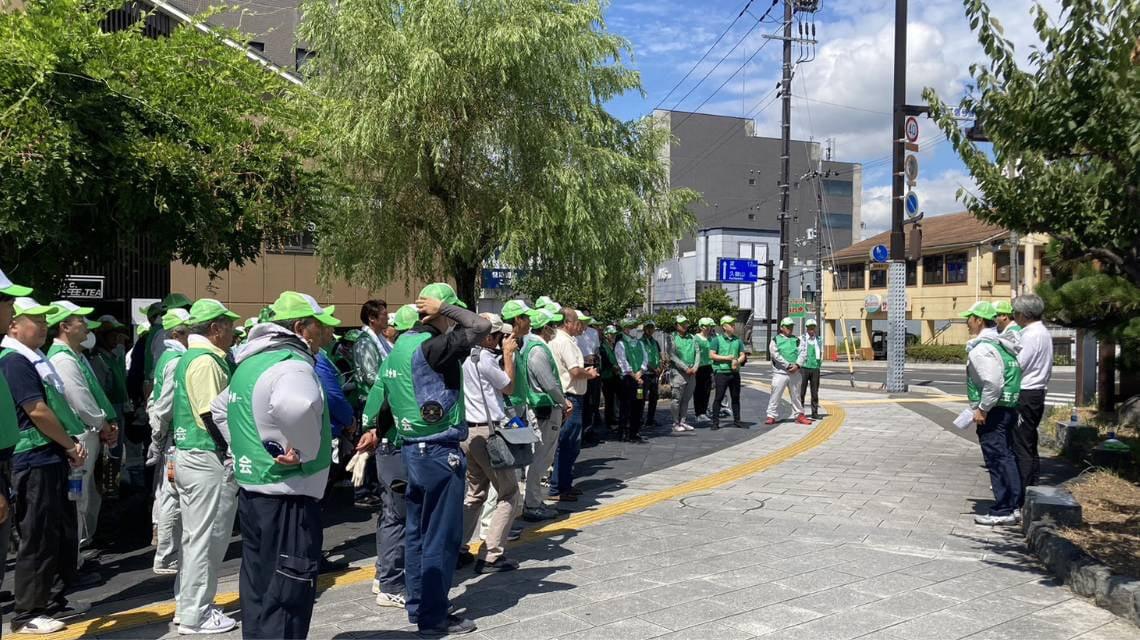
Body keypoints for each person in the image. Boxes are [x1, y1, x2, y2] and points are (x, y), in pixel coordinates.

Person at [360, 283, 489, 636]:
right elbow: (479, 326)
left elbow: (384, 398)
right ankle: (434, 615)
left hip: (412, 450)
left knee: (417, 533)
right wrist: (445, 308)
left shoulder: (400, 346)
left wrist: (373, 428)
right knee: (440, 538)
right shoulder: (434, 347)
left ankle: (418, 604)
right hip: (438, 451)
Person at [214, 291, 337, 639]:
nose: (327, 334)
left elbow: (219, 408)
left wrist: (247, 447)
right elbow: (296, 405)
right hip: (290, 498)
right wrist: (306, 450)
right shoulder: (293, 363)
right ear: (301, 328)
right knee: (288, 594)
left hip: (254, 494)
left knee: (259, 587)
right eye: (321, 326)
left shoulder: (250, 363)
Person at [2, 297, 89, 634]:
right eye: (34, 319)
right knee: (36, 535)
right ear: (14, 326)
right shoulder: (14, 361)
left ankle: (50, 602)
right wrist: (68, 444)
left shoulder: (33, 358)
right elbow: (36, 409)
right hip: (33, 458)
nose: (42, 324)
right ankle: (27, 613)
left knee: (52, 531)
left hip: (48, 456)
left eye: (44, 319)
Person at [172, 298, 240, 635]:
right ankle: (197, 614)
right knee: (207, 539)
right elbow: (213, 414)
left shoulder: (188, 357)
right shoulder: (206, 361)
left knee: (194, 538)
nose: (233, 331)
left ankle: (187, 606)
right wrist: (233, 450)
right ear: (215, 329)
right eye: (228, 325)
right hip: (207, 458)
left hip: (190, 455)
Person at [358, 301, 419, 609]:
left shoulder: (392, 356)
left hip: (385, 443)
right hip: (396, 444)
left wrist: (372, 429)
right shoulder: (410, 359)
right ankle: (392, 583)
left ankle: (384, 574)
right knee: (399, 514)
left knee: (390, 512)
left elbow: (377, 401)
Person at [46, 301, 119, 551]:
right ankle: (73, 555)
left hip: (88, 433)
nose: (87, 327)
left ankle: (79, 549)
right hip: (80, 435)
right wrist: (102, 423)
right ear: (65, 326)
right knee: (78, 497)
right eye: (81, 321)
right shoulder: (63, 360)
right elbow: (80, 400)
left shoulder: (73, 356)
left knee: (85, 494)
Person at [459, 313, 521, 573]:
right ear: (488, 336)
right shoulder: (485, 359)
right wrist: (508, 355)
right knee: (509, 493)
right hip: (489, 433)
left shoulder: (462, 357)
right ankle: (491, 554)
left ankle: (457, 547)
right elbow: (508, 387)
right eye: (499, 336)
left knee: (474, 493)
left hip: (468, 433)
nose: (501, 341)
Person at [961, 301, 1023, 526]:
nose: (966, 322)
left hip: (993, 411)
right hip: (1007, 408)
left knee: (997, 458)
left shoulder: (981, 348)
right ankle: (1013, 505)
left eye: (969, 318)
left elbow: (992, 382)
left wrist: (982, 409)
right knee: (1006, 456)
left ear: (978, 320)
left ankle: (1003, 508)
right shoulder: (1001, 344)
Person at [514, 308, 570, 521]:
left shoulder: (532, 347)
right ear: (544, 327)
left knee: (539, 457)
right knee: (541, 458)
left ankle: (533, 501)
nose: (554, 328)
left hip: (540, 408)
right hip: (545, 409)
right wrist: (563, 402)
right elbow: (549, 383)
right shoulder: (537, 350)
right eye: (552, 324)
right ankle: (533, 503)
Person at [148, 308, 190, 576]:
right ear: (177, 333)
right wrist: (159, 435)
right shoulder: (176, 359)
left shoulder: (167, 356)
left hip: (169, 435)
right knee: (171, 497)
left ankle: (166, 553)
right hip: (173, 436)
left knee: (167, 494)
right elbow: (165, 404)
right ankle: (166, 555)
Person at [547, 308, 597, 502]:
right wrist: (589, 374)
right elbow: (574, 371)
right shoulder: (564, 342)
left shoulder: (561, 340)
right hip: (571, 396)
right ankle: (558, 487)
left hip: (570, 395)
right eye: (577, 322)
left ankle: (565, 484)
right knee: (568, 443)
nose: (580, 326)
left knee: (570, 444)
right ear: (567, 323)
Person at [1012, 294, 1052, 507]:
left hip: (1026, 391)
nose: (1014, 316)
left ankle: (1022, 492)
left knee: (1021, 443)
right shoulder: (1043, 332)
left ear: (1023, 314)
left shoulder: (1030, 335)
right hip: (1037, 391)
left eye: (1015, 313)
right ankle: (1031, 484)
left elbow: (1019, 364)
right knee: (1029, 440)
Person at [765, 317, 811, 426]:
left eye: (791, 326)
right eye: (787, 326)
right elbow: (775, 355)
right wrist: (788, 365)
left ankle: (799, 414)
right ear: (782, 327)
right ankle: (771, 416)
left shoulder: (797, 340)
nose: (790, 328)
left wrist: (798, 365)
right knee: (775, 394)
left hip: (795, 372)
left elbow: (803, 353)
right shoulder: (775, 340)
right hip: (780, 372)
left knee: (796, 395)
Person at [711, 316, 748, 430]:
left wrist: (737, 361)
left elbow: (742, 354)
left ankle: (737, 420)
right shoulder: (716, 340)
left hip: (735, 372)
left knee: (735, 397)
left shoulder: (738, 340)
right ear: (724, 326)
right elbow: (712, 355)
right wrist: (727, 358)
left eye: (733, 324)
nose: (733, 326)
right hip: (721, 372)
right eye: (730, 324)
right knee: (719, 397)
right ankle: (715, 422)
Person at [615, 320, 648, 442]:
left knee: (639, 404)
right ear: (625, 329)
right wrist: (635, 376)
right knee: (626, 406)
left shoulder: (640, 343)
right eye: (631, 327)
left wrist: (641, 372)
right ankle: (624, 431)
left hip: (640, 380)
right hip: (628, 379)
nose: (634, 329)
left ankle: (635, 431)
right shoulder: (621, 344)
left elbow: (645, 359)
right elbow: (623, 362)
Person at [354, 299, 393, 400]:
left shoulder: (380, 338)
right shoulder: (365, 342)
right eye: (384, 314)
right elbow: (371, 377)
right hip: (371, 400)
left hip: (383, 396)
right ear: (372, 318)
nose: (388, 317)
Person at [574, 314, 602, 446]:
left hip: (592, 365)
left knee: (593, 400)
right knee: (583, 400)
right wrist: (585, 359)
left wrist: (595, 357)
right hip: (581, 365)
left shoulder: (593, 332)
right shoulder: (574, 335)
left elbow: (596, 348)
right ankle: (581, 433)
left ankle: (589, 430)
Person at [667, 316, 698, 432]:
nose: (684, 325)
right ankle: (675, 423)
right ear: (676, 325)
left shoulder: (692, 337)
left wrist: (695, 367)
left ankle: (683, 422)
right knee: (677, 399)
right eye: (681, 324)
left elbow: (698, 352)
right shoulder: (672, 337)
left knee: (686, 399)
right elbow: (672, 355)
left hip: (692, 373)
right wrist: (685, 368)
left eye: (685, 323)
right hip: (678, 373)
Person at [640, 322, 664, 429]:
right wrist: (653, 368)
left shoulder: (655, 342)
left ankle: (650, 419)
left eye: (652, 328)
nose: (650, 330)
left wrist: (660, 365)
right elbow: (641, 358)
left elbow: (659, 355)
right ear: (644, 329)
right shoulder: (640, 342)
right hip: (644, 373)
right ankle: (639, 419)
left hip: (654, 374)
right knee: (641, 397)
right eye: (648, 328)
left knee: (654, 397)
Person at [599, 326, 622, 432]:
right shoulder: (603, 347)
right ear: (606, 335)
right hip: (607, 376)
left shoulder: (614, 346)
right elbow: (605, 361)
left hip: (615, 376)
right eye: (611, 334)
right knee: (609, 400)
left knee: (616, 399)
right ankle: (609, 422)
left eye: (614, 334)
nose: (613, 336)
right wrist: (613, 367)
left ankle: (615, 418)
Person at [799, 319, 823, 419]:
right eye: (810, 327)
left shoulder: (819, 339)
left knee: (815, 391)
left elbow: (821, 352)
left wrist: (819, 363)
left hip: (815, 368)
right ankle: (800, 412)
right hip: (804, 367)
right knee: (801, 391)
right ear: (807, 328)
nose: (812, 329)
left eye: (813, 327)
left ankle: (815, 412)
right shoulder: (802, 338)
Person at [693, 317, 716, 422]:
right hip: (698, 367)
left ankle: (704, 411)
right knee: (698, 390)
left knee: (707, 390)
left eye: (709, 326)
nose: (708, 328)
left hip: (708, 366)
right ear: (701, 327)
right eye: (706, 326)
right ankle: (698, 413)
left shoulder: (711, 339)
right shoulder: (695, 338)